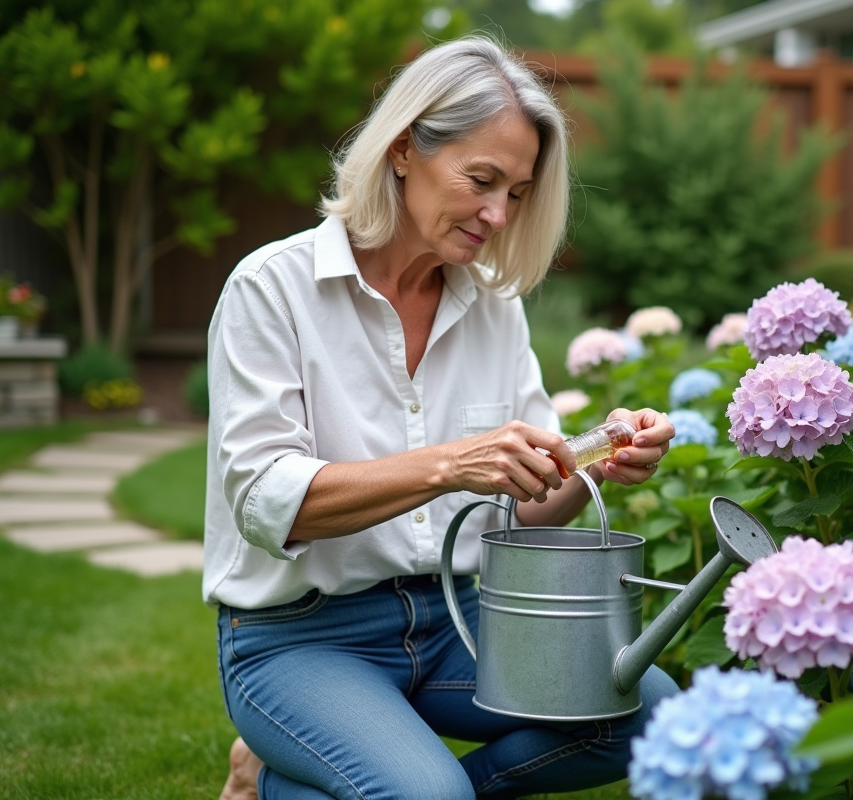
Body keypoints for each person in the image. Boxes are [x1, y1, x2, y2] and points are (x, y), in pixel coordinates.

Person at [205, 36, 678, 800]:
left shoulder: (493, 307)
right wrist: (452, 464)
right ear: (402, 151)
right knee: (425, 795)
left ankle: (313, 781)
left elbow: (529, 511)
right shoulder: (272, 289)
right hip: (301, 636)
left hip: (459, 621)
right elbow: (265, 502)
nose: (497, 214)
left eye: (517, 192)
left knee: (650, 710)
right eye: (481, 179)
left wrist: (598, 458)